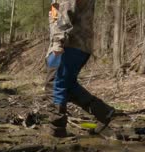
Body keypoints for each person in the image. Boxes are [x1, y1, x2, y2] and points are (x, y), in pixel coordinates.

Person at [45, 0, 115, 137]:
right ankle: (104, 112)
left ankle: (56, 130)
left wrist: (58, 41)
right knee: (68, 86)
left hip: (70, 43)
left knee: (54, 84)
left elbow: (65, 11)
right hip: (79, 44)